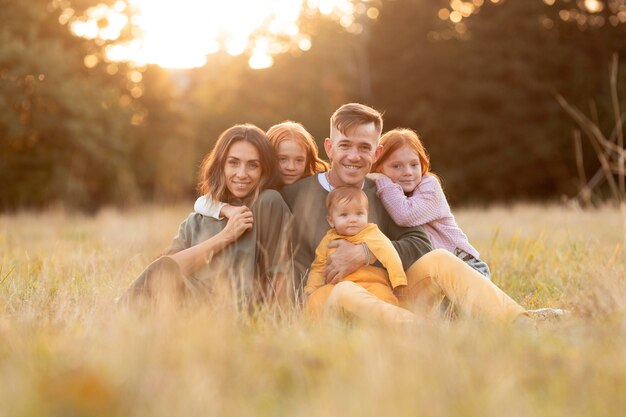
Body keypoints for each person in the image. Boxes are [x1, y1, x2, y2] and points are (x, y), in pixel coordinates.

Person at [281, 103, 532, 325]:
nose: (354, 156)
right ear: (330, 147)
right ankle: (429, 332)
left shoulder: (381, 191)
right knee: (345, 290)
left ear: (376, 153)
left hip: (388, 297)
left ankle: (519, 324)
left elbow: (420, 244)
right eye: (345, 145)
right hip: (331, 302)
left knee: (441, 259)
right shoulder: (296, 194)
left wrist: (366, 253)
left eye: (364, 147)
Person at [119, 124, 293, 306]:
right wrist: (225, 236)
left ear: (264, 170)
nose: (242, 174)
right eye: (233, 163)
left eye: (253, 165)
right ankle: (118, 315)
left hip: (235, 309)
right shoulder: (195, 221)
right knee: (159, 272)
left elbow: (280, 272)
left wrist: (269, 323)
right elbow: (166, 270)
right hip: (189, 309)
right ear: (221, 166)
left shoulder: (268, 203)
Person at [368, 128, 491, 279]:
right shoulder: (386, 194)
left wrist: (383, 180)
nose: (408, 172)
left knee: (466, 302)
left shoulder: (429, 187)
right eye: (396, 166)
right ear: (378, 167)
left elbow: (405, 215)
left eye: (414, 164)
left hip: (466, 266)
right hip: (432, 276)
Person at [304, 186, 416, 323]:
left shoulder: (372, 233)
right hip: (338, 285)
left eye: (359, 214)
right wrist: (311, 288)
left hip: (372, 284)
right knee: (317, 298)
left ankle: (398, 321)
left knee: (383, 297)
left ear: (367, 215)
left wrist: (398, 281)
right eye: (344, 215)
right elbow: (319, 265)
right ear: (331, 220)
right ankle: (313, 324)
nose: (353, 219)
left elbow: (390, 254)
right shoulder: (328, 240)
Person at [194, 121, 329, 218]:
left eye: (299, 160)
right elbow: (201, 203)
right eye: (282, 159)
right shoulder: (258, 187)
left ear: (307, 161)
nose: (291, 167)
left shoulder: (313, 189)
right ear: (267, 158)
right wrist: (226, 209)